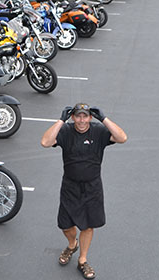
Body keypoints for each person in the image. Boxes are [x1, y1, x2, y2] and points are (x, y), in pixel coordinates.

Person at [41, 103, 127, 279]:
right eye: (78, 116)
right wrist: (60, 120)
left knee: (88, 225)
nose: (81, 120)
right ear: (73, 117)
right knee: (65, 225)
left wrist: (103, 118)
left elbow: (122, 137)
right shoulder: (65, 130)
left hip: (92, 187)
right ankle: (72, 244)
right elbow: (45, 142)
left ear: (90, 117)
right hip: (70, 186)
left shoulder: (99, 131)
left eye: (85, 116)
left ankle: (82, 260)